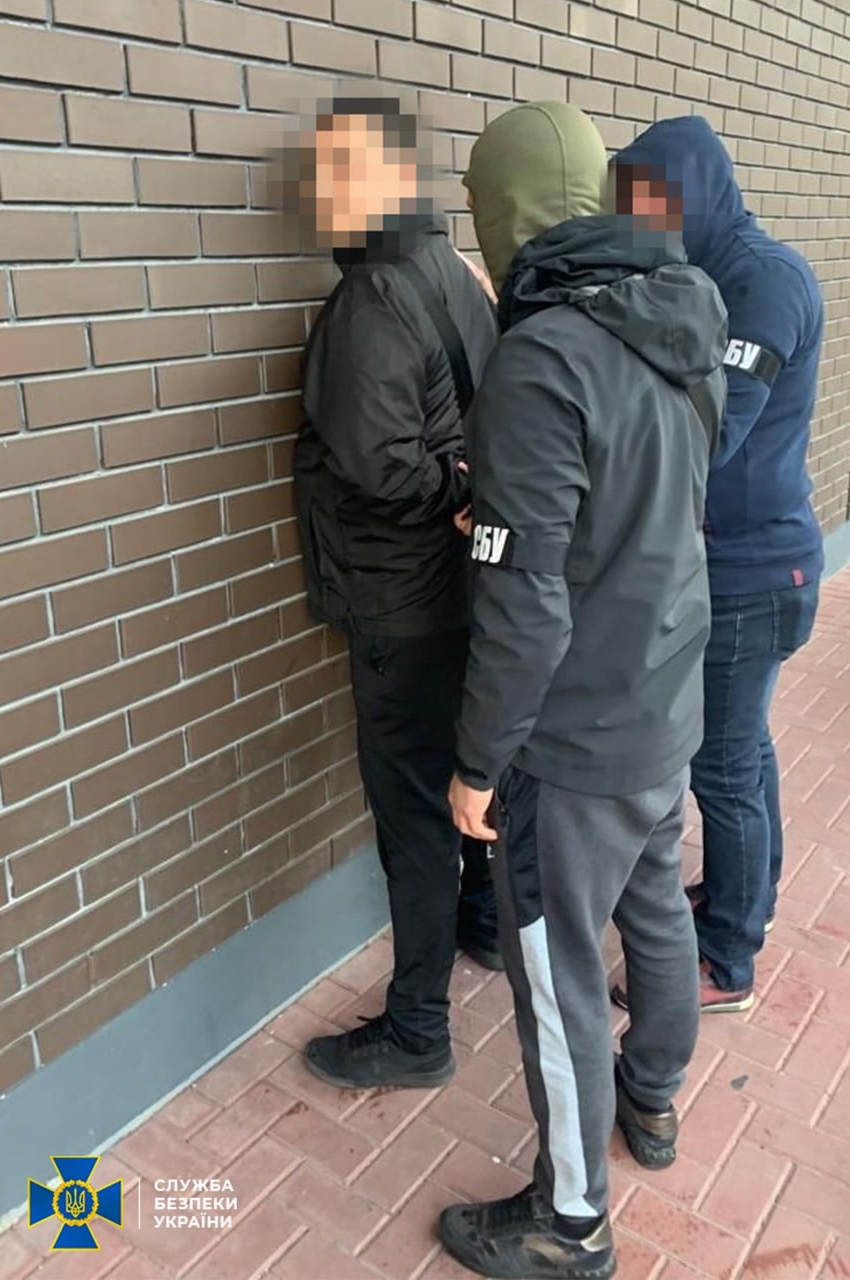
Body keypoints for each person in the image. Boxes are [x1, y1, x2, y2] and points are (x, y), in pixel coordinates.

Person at [436, 101, 727, 1279]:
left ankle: (570, 1222)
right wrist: (509, 513)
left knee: (555, 979)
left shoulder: (542, 353)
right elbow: (647, 501)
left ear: (503, 213)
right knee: (655, 907)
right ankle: (651, 1096)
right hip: (664, 693)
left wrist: (475, 762)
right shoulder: (682, 308)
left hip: (572, 738)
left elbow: (528, 605)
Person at [293, 97, 501, 1092]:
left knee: (412, 814)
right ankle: (485, 924)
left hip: (399, 600)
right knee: (460, 772)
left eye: (333, 174)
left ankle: (417, 1027)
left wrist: (448, 490)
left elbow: (379, 464)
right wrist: (465, 490)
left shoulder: (371, 297)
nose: (317, 195)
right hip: (460, 589)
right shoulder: (450, 270)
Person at [610, 118, 824, 1014]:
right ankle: (745, 897)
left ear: (691, 192)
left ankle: (727, 959)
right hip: (744, 566)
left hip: (752, 574)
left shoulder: (762, 283)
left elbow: (713, 430)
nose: (637, 225)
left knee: (723, 766)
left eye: (648, 204)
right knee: (745, 750)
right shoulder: (706, 275)